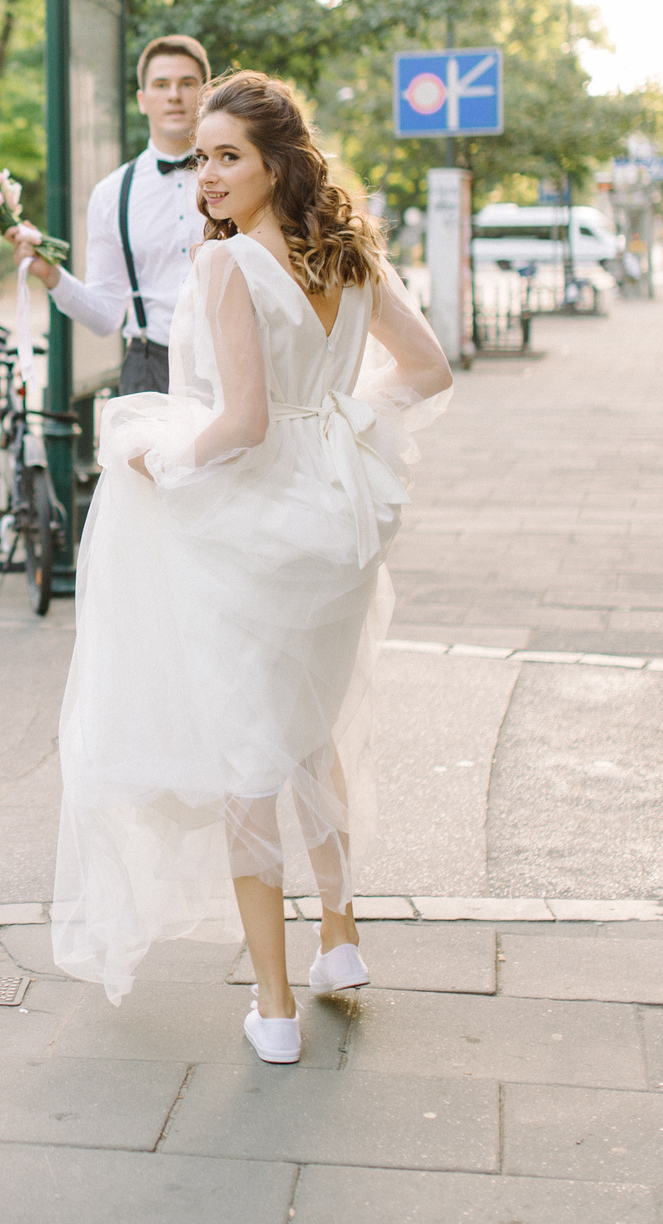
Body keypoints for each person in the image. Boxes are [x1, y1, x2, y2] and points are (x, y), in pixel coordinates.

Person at [53, 72, 453, 1064]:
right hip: (340, 517)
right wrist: (347, 421)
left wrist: (159, 458)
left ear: (277, 164)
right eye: (203, 156)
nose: (209, 174)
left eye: (229, 155)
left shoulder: (229, 264)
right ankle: (340, 940)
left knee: (248, 757)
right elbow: (427, 368)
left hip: (257, 528)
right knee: (312, 727)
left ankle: (273, 1007)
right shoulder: (350, 252)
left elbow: (240, 423)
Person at [15, 34, 210, 393]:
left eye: (187, 83)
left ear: (206, 95)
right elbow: (106, 317)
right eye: (161, 85)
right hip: (150, 371)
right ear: (142, 100)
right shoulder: (112, 194)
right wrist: (51, 274)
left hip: (231, 363)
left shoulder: (239, 180)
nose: (174, 95)